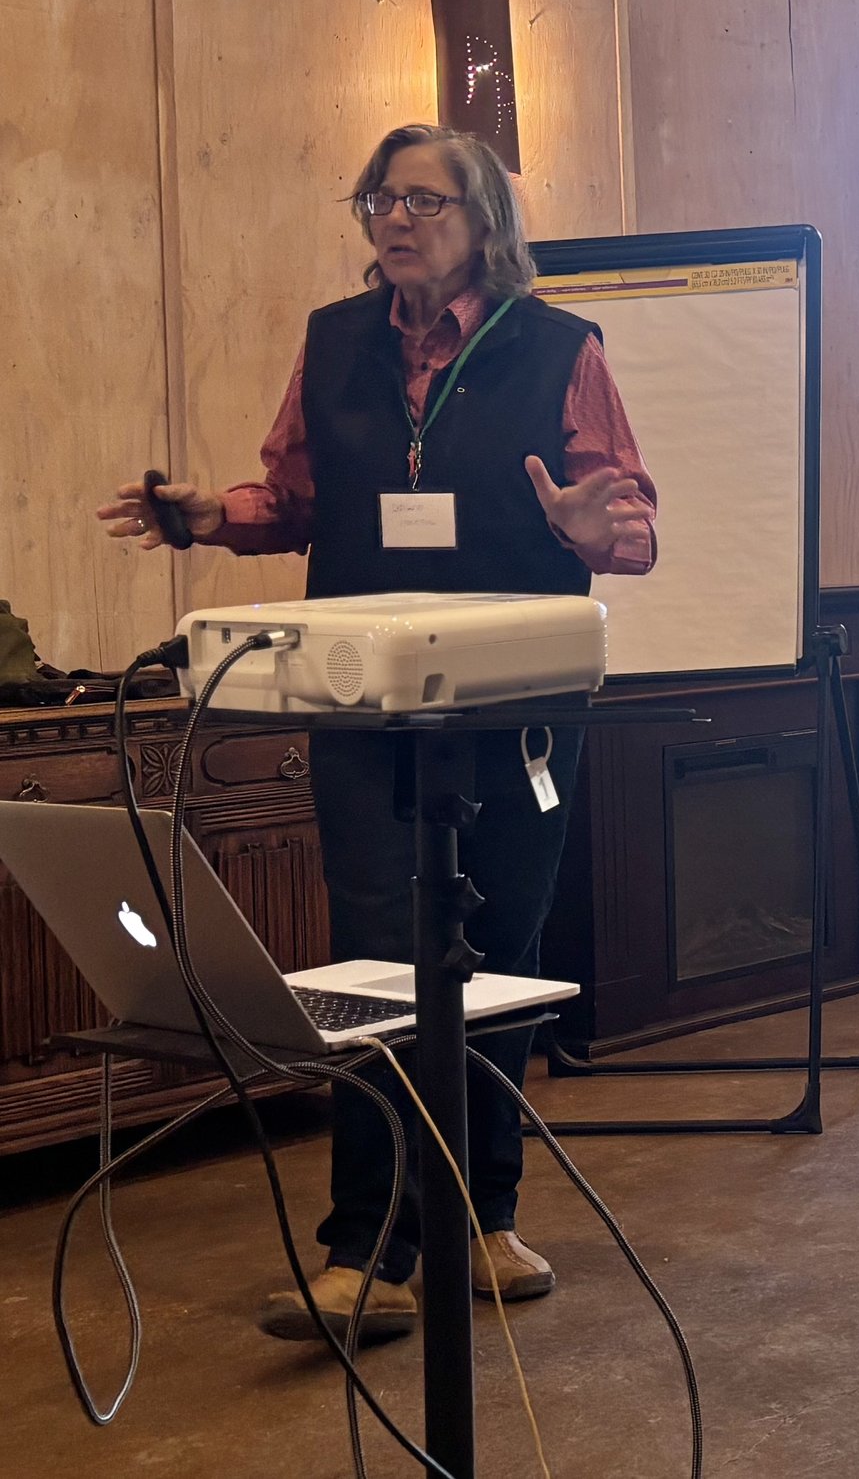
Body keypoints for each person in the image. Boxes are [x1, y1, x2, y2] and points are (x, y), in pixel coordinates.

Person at [96, 124, 657, 1344]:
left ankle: (484, 1218)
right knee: (373, 960)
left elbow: (633, 529)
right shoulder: (334, 341)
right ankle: (367, 1249)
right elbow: (295, 497)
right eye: (378, 200)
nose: (395, 219)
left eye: (422, 200)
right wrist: (210, 515)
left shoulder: (560, 347)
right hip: (361, 696)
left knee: (497, 952)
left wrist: (587, 527)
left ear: (484, 221)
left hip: (511, 705)